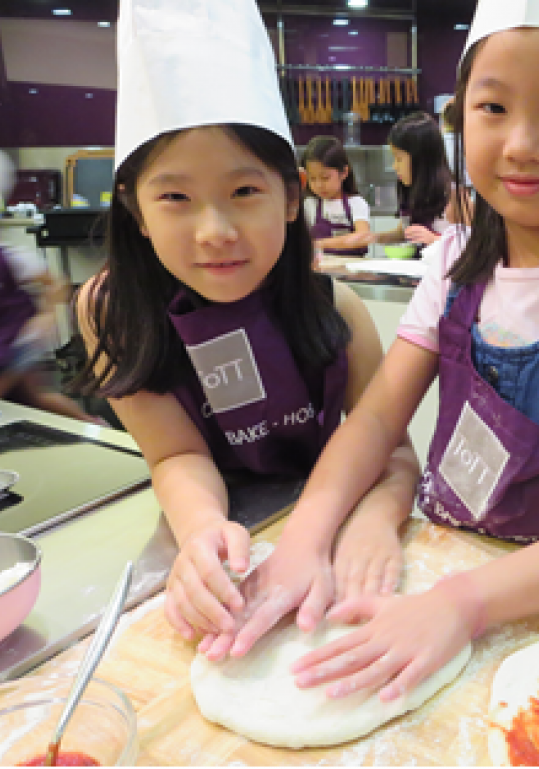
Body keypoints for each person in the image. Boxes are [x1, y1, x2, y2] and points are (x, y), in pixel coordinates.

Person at [216, 0, 539, 703]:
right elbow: (375, 420)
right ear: (461, 117)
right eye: (493, 108)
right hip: (443, 567)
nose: (523, 144)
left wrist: (463, 603)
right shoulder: (454, 264)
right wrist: (305, 539)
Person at [72, 0, 417, 655]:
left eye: (244, 191)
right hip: (214, 552)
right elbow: (176, 455)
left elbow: (392, 451)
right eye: (175, 197)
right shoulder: (114, 313)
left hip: (330, 530)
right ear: (136, 210)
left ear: (291, 196)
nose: (215, 231)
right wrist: (201, 531)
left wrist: (374, 521)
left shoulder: (337, 310)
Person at [0, 139, 100, 424]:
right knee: (33, 398)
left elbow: (56, 284)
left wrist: (46, 317)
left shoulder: (9, 256)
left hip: (18, 339)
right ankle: (91, 424)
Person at [373, 112, 452, 254]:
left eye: (399, 159)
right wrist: (372, 238)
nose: (395, 166)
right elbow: (404, 232)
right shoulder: (414, 190)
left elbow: (474, 244)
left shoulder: (453, 196)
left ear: (421, 159)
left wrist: (434, 239)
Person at [302, 136, 373, 258]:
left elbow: (363, 237)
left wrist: (320, 244)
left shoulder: (356, 203)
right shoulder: (310, 204)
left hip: (353, 267)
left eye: (325, 178)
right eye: (312, 178)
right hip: (321, 267)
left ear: (344, 172)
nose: (319, 185)